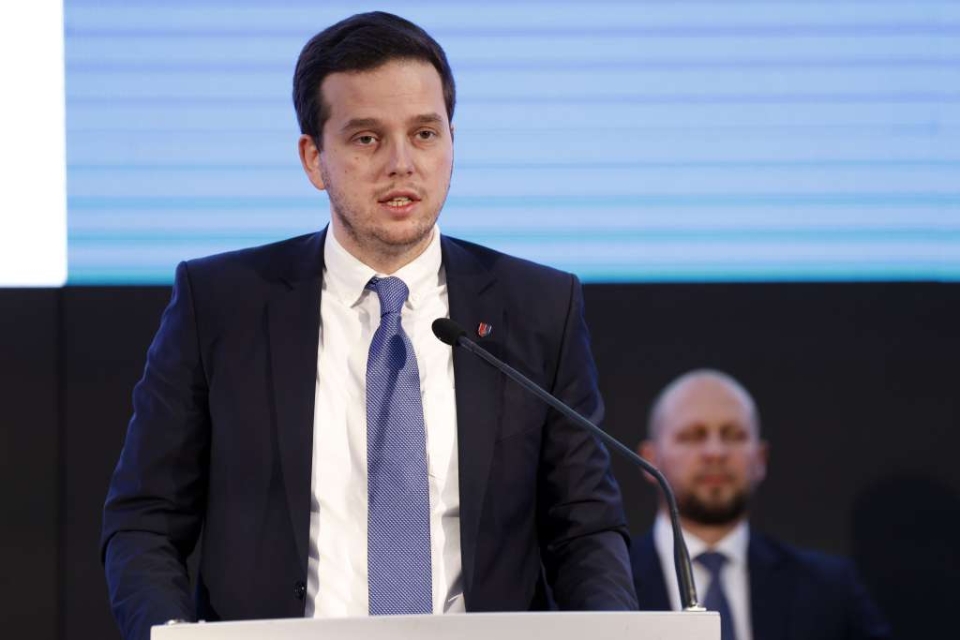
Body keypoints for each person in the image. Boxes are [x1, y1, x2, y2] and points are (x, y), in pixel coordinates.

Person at [100, 11, 636, 640]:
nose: (401, 164)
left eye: (425, 133)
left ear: (453, 142)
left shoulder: (538, 306)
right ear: (314, 159)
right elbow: (145, 521)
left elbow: (584, 529)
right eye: (366, 138)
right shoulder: (220, 304)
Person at [630, 369, 891, 640]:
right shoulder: (607, 585)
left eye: (734, 435)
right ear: (650, 459)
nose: (716, 452)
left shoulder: (829, 589)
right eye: (693, 436)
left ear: (761, 458)